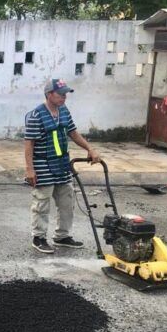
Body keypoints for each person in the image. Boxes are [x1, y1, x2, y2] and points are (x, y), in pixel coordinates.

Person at [24, 79, 100, 254]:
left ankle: (62, 236)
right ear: (49, 94)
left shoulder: (64, 111)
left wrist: (90, 149)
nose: (64, 97)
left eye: (66, 94)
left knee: (67, 201)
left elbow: (73, 132)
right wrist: (30, 169)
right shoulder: (36, 115)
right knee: (42, 203)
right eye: (61, 94)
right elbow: (29, 144)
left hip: (62, 164)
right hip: (43, 164)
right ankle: (39, 237)